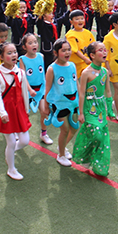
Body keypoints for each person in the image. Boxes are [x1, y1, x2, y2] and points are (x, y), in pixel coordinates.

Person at [0, 42, 32, 180]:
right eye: (9, 53)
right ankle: (11, 169)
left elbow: (24, 91)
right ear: (1, 57)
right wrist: (2, 113)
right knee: (11, 141)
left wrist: (26, 108)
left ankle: (10, 154)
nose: (13, 55)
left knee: (24, 140)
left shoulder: (21, 72)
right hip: (6, 111)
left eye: (14, 52)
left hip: (19, 110)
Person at [73, 41, 112, 176]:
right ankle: (85, 155)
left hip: (101, 107)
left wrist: (111, 109)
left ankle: (98, 163)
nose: (104, 52)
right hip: (90, 107)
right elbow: (82, 93)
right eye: (100, 50)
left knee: (101, 136)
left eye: (105, 50)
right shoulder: (86, 73)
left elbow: (107, 91)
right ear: (92, 55)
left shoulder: (105, 71)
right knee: (96, 134)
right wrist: (81, 112)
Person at [45, 39, 79, 167]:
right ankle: (61, 155)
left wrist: (80, 100)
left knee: (74, 128)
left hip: (73, 103)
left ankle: (62, 147)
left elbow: (76, 83)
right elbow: (47, 88)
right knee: (64, 130)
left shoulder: (72, 65)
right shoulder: (52, 69)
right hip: (59, 105)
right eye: (63, 50)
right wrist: (45, 106)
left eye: (68, 50)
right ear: (55, 52)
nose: (67, 52)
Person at [18, 33, 54, 145]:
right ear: (24, 47)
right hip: (28, 92)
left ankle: (43, 134)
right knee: (25, 114)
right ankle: (19, 133)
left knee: (44, 112)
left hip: (41, 91)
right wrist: (29, 90)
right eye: (30, 43)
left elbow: (43, 73)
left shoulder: (41, 56)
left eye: (35, 42)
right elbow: (23, 77)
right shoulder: (22, 59)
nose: (34, 44)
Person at [65, 9, 95, 79]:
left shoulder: (88, 33)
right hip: (76, 64)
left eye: (82, 18)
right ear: (71, 22)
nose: (80, 21)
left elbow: (93, 45)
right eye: (77, 19)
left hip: (87, 62)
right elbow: (75, 50)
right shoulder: (70, 35)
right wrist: (85, 58)